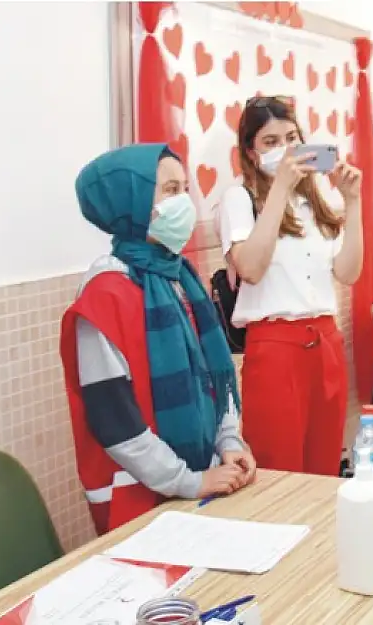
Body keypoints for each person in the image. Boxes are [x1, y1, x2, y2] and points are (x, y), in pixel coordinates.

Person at [60, 143, 255, 536]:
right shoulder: (105, 296)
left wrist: (229, 442)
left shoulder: (179, 278)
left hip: (202, 481)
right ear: (129, 204)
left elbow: (212, 380)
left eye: (185, 188)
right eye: (169, 190)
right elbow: (115, 423)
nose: (184, 202)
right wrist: (189, 481)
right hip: (139, 497)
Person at [218, 96, 363, 476]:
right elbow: (249, 267)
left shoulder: (316, 198)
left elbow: (348, 273)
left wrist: (353, 203)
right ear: (250, 152)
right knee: (279, 468)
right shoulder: (239, 198)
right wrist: (279, 187)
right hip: (276, 347)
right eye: (270, 142)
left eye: (291, 137)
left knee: (325, 465)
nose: (284, 149)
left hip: (326, 340)